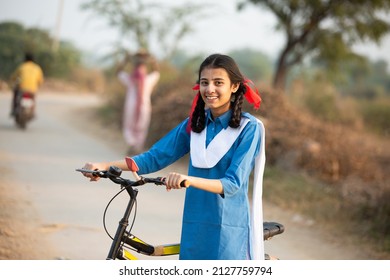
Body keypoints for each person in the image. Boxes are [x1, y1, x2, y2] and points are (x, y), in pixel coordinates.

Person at [81, 54, 266, 260]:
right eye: (204, 82)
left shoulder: (249, 129)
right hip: (194, 223)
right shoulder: (194, 125)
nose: (210, 89)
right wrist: (104, 166)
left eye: (218, 83)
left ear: (234, 87)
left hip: (228, 227)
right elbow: (154, 158)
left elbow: (232, 184)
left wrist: (187, 179)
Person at [116, 50, 160, 154]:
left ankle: (135, 146)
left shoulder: (139, 81)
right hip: (138, 107)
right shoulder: (135, 80)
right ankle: (134, 146)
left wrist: (126, 60)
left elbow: (118, 72)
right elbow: (156, 72)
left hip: (140, 107)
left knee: (139, 125)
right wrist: (152, 61)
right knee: (135, 126)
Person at [10, 52, 44, 116]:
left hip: (22, 88)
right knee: (33, 99)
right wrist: (38, 86)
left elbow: (14, 77)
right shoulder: (37, 68)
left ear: (25, 59)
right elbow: (40, 80)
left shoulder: (22, 66)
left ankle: (14, 109)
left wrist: (12, 82)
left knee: (15, 95)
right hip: (32, 89)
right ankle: (33, 111)